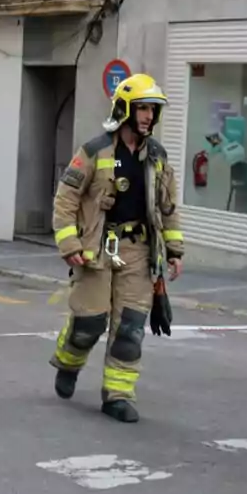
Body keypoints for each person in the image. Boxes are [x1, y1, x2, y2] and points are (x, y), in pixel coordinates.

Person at [48, 73, 184, 424]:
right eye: (141, 109)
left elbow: (167, 207)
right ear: (124, 109)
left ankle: (118, 396)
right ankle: (68, 362)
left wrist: (174, 250)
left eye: (152, 110)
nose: (148, 117)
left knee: (130, 330)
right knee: (88, 324)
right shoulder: (94, 151)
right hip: (97, 249)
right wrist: (69, 243)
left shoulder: (157, 156)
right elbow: (66, 200)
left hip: (138, 251)